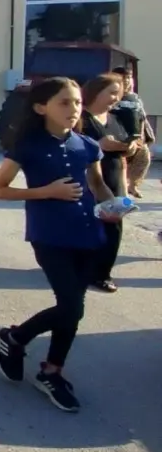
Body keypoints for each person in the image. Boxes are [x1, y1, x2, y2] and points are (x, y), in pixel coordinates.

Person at [0, 77, 117, 413]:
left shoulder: (88, 145)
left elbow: (97, 184)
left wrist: (113, 206)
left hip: (89, 234)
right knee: (71, 306)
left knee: (73, 306)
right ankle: (15, 337)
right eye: (64, 102)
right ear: (40, 107)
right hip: (49, 236)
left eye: (76, 102)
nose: (73, 109)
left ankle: (52, 371)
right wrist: (46, 192)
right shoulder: (26, 146)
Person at [81, 74, 133, 293]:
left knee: (113, 228)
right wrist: (103, 145)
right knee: (92, 226)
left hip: (115, 177)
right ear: (96, 91)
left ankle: (101, 273)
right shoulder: (82, 118)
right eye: (111, 92)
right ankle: (87, 270)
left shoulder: (114, 119)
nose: (115, 98)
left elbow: (121, 151)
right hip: (91, 180)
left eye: (118, 94)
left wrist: (128, 149)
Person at [110, 66, 152, 198]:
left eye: (128, 77)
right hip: (118, 136)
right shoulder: (112, 96)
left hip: (136, 135)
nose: (127, 81)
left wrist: (142, 135)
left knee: (143, 160)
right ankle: (119, 190)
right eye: (123, 78)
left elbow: (141, 117)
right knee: (121, 164)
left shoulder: (134, 98)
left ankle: (133, 186)